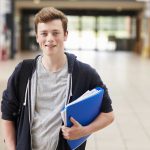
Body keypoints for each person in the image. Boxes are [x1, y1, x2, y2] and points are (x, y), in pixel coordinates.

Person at [1, 7, 114, 150]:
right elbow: (7, 113)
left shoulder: (85, 74)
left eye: (55, 33)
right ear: (37, 37)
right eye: (44, 33)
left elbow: (108, 115)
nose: (50, 39)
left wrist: (84, 131)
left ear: (65, 35)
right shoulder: (23, 71)